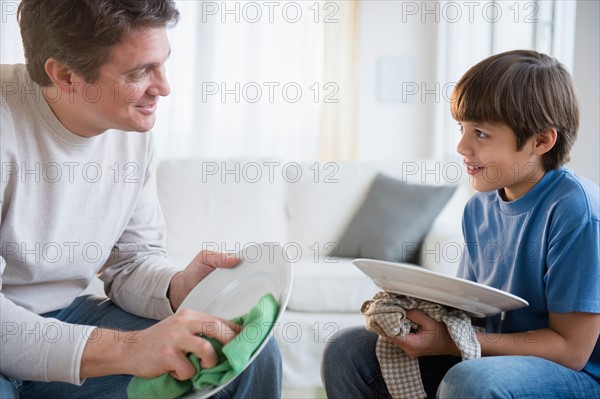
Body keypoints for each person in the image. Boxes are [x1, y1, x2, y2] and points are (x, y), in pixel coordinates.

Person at [0, 1, 281, 398]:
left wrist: (177, 287)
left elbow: (131, 262)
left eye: (163, 63)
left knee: (243, 351)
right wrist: (129, 349)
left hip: (65, 317)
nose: (163, 88)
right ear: (64, 74)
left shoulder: (128, 126)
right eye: (139, 72)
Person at [321, 50, 600, 398]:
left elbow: (572, 351)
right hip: (494, 356)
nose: (461, 146)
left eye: (480, 133)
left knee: (470, 381)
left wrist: (451, 342)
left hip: (574, 376)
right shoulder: (479, 206)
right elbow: (472, 311)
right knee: (347, 351)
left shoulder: (577, 211)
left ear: (541, 141)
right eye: (462, 128)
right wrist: (420, 317)